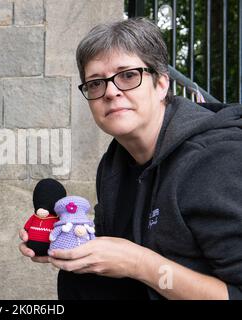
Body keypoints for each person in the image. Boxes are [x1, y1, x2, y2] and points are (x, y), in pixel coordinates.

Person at [19, 17, 242, 300]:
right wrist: (67, 242)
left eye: (128, 75)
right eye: (96, 83)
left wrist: (138, 263)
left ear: (161, 83)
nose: (111, 92)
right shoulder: (114, 166)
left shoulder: (216, 159)